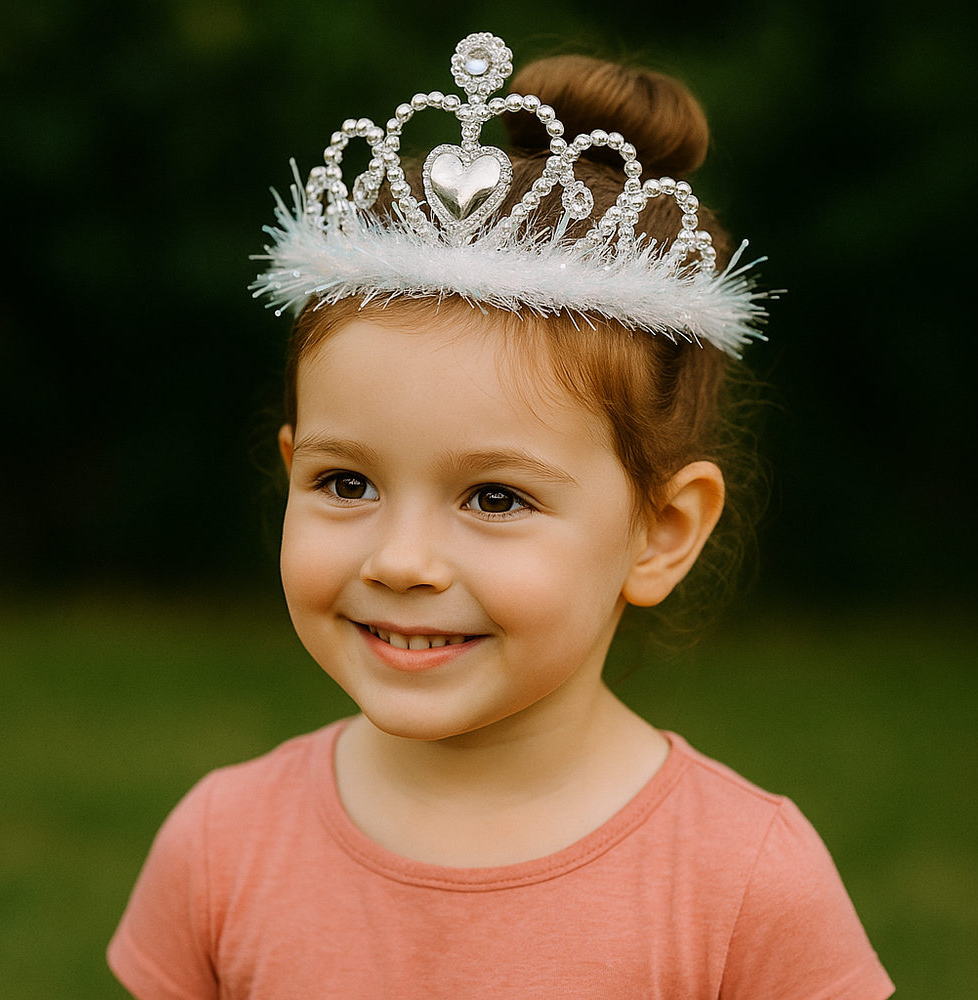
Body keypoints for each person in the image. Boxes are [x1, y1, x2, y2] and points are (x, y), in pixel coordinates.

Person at [108, 32, 894, 1000]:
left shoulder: (744, 883)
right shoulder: (220, 844)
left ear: (663, 530)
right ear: (289, 468)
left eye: (495, 497)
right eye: (345, 482)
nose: (401, 560)